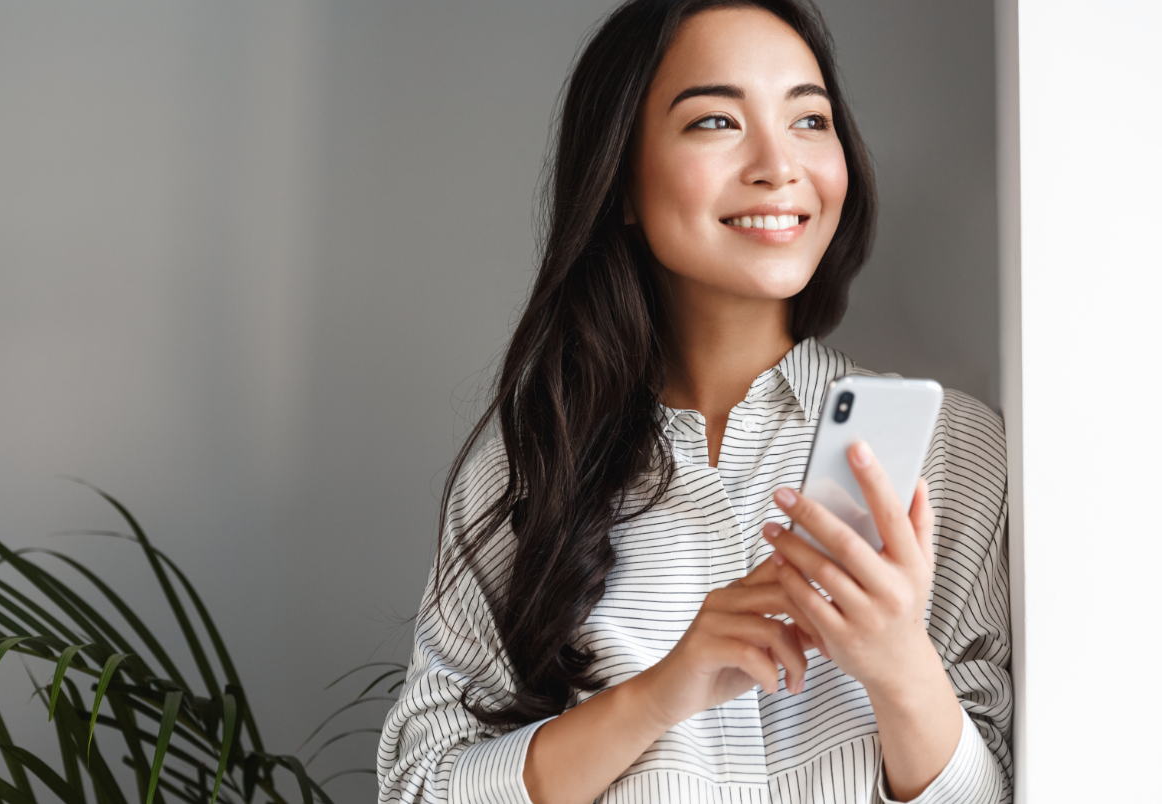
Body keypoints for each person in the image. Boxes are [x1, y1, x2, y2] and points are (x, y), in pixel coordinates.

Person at [376, 1, 1011, 802]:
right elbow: (420, 788)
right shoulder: (530, 465)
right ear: (623, 182)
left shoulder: (956, 452)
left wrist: (898, 666)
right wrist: (658, 694)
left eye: (810, 120)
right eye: (716, 121)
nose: (779, 165)